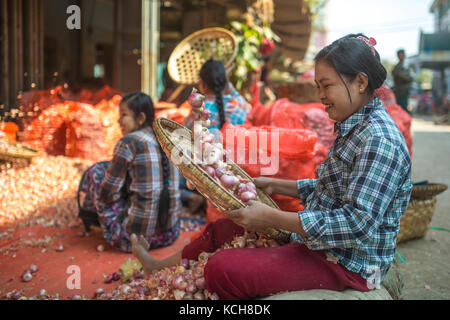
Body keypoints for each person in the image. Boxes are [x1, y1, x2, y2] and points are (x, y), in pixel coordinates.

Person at [131, 34, 412, 299]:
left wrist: (271, 218)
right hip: (321, 244)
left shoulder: (379, 140)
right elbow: (334, 189)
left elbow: (355, 225)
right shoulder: (355, 125)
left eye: (327, 86)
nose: (321, 95)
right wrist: (274, 184)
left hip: (348, 264)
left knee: (220, 268)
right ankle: (156, 268)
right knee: (222, 229)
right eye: (318, 87)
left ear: (360, 83)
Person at [78, 92, 183, 253]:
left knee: (97, 171)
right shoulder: (168, 139)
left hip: (134, 240)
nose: (119, 121)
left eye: (124, 115)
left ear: (140, 118)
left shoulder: (128, 142)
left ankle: (90, 218)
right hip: (170, 235)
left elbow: (108, 194)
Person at [184, 59, 251, 132]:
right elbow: (236, 95)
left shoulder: (199, 110)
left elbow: (183, 131)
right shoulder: (239, 103)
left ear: (203, 84)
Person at [392, 49, 413, 114]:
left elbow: (409, 78)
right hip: (397, 90)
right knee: (398, 108)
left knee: (404, 107)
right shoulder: (397, 65)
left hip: (404, 90)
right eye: (399, 55)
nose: (400, 56)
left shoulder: (407, 65)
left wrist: (399, 74)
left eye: (401, 55)